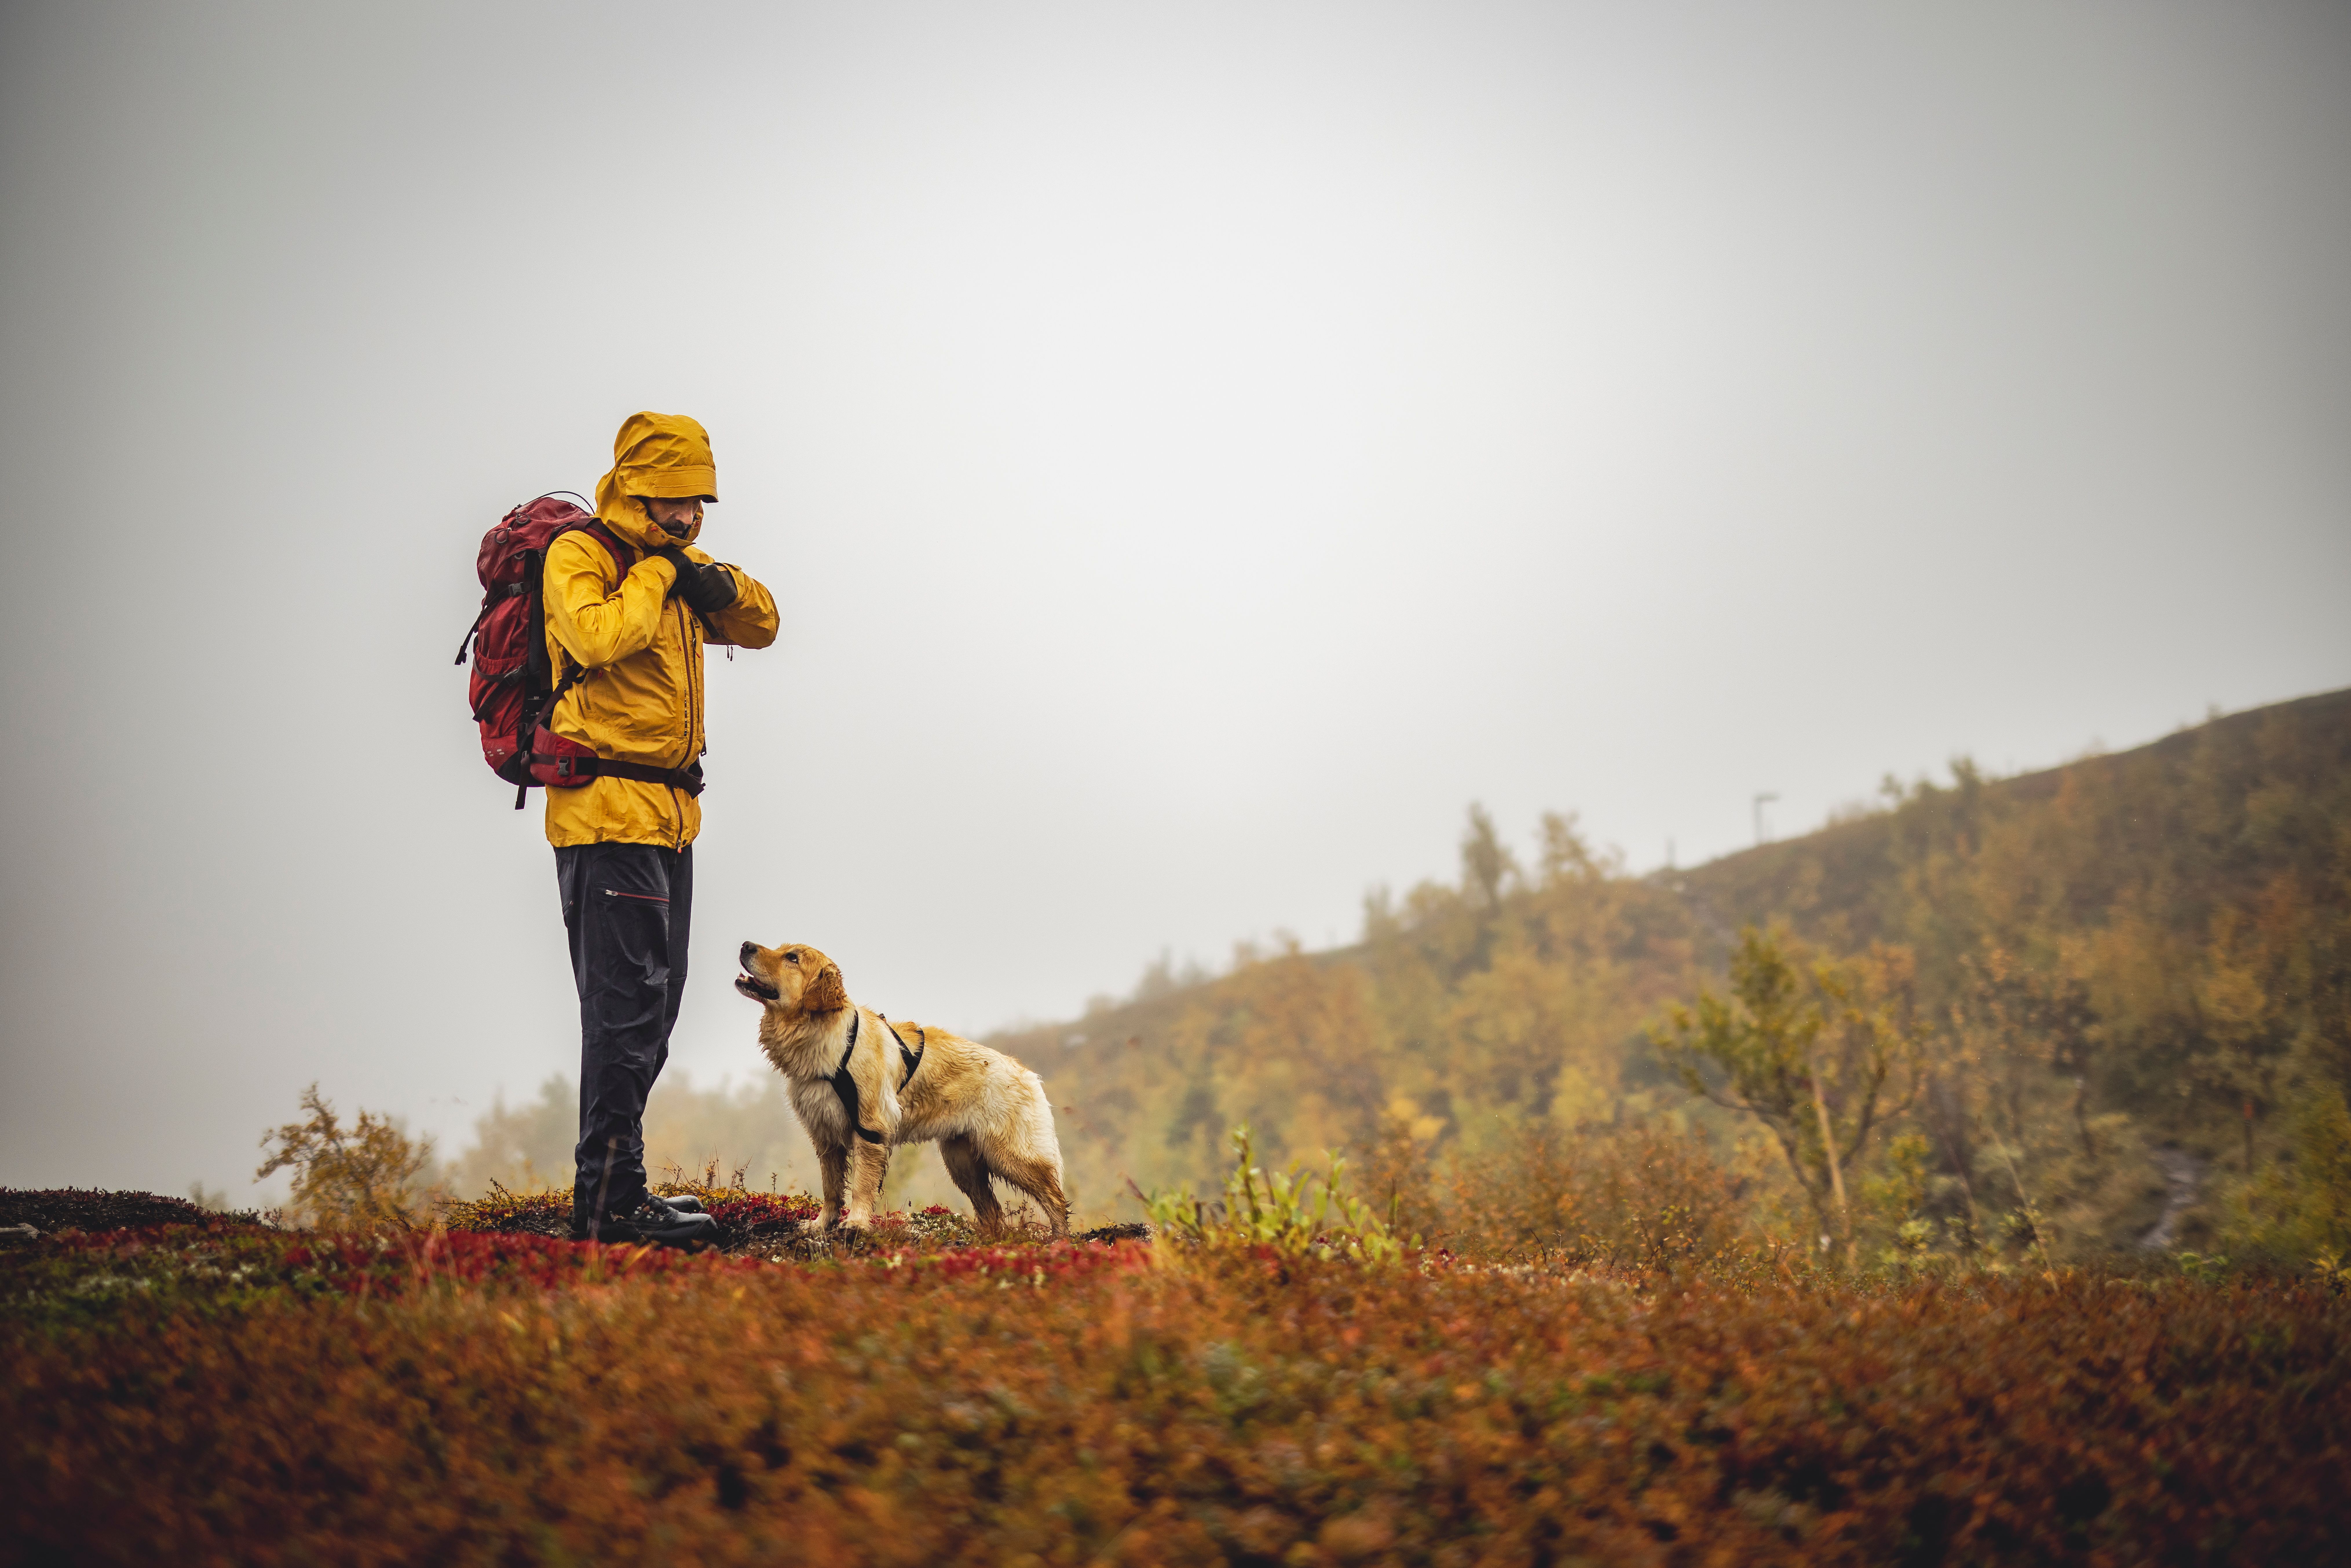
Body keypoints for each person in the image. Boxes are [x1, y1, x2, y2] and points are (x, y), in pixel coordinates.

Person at [545, 411, 779, 1246]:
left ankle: (620, 1191)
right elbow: (599, 637)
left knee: (656, 1009)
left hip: (670, 820)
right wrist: (658, 572)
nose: (688, 515)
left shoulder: (678, 563)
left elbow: (763, 624)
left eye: (698, 501)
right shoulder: (582, 556)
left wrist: (708, 579)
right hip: (607, 814)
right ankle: (609, 1206)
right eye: (674, 501)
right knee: (623, 1012)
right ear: (636, 492)